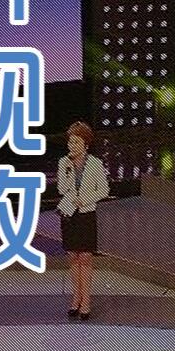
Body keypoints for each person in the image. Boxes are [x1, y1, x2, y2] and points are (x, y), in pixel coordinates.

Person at [55, 121, 108, 321]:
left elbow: (104, 190)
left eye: (76, 142)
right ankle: (76, 298)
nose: (72, 145)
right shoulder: (64, 162)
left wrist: (84, 199)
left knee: (85, 257)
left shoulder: (95, 163)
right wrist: (68, 171)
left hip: (86, 214)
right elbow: (61, 188)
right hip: (69, 213)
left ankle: (86, 301)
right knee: (73, 257)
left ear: (86, 144)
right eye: (70, 142)